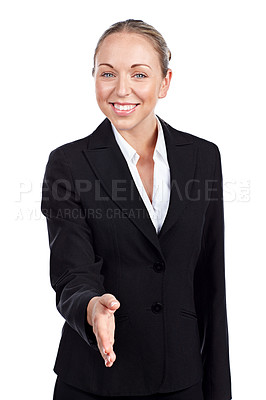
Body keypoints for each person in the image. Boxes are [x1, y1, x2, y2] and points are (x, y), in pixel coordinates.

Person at [41, 19, 232, 400]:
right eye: (107, 73)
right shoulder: (68, 164)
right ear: (93, 76)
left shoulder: (202, 157)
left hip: (181, 377)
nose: (121, 89)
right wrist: (93, 306)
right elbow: (71, 271)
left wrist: (218, 389)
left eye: (139, 74)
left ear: (164, 82)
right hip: (95, 379)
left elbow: (210, 283)